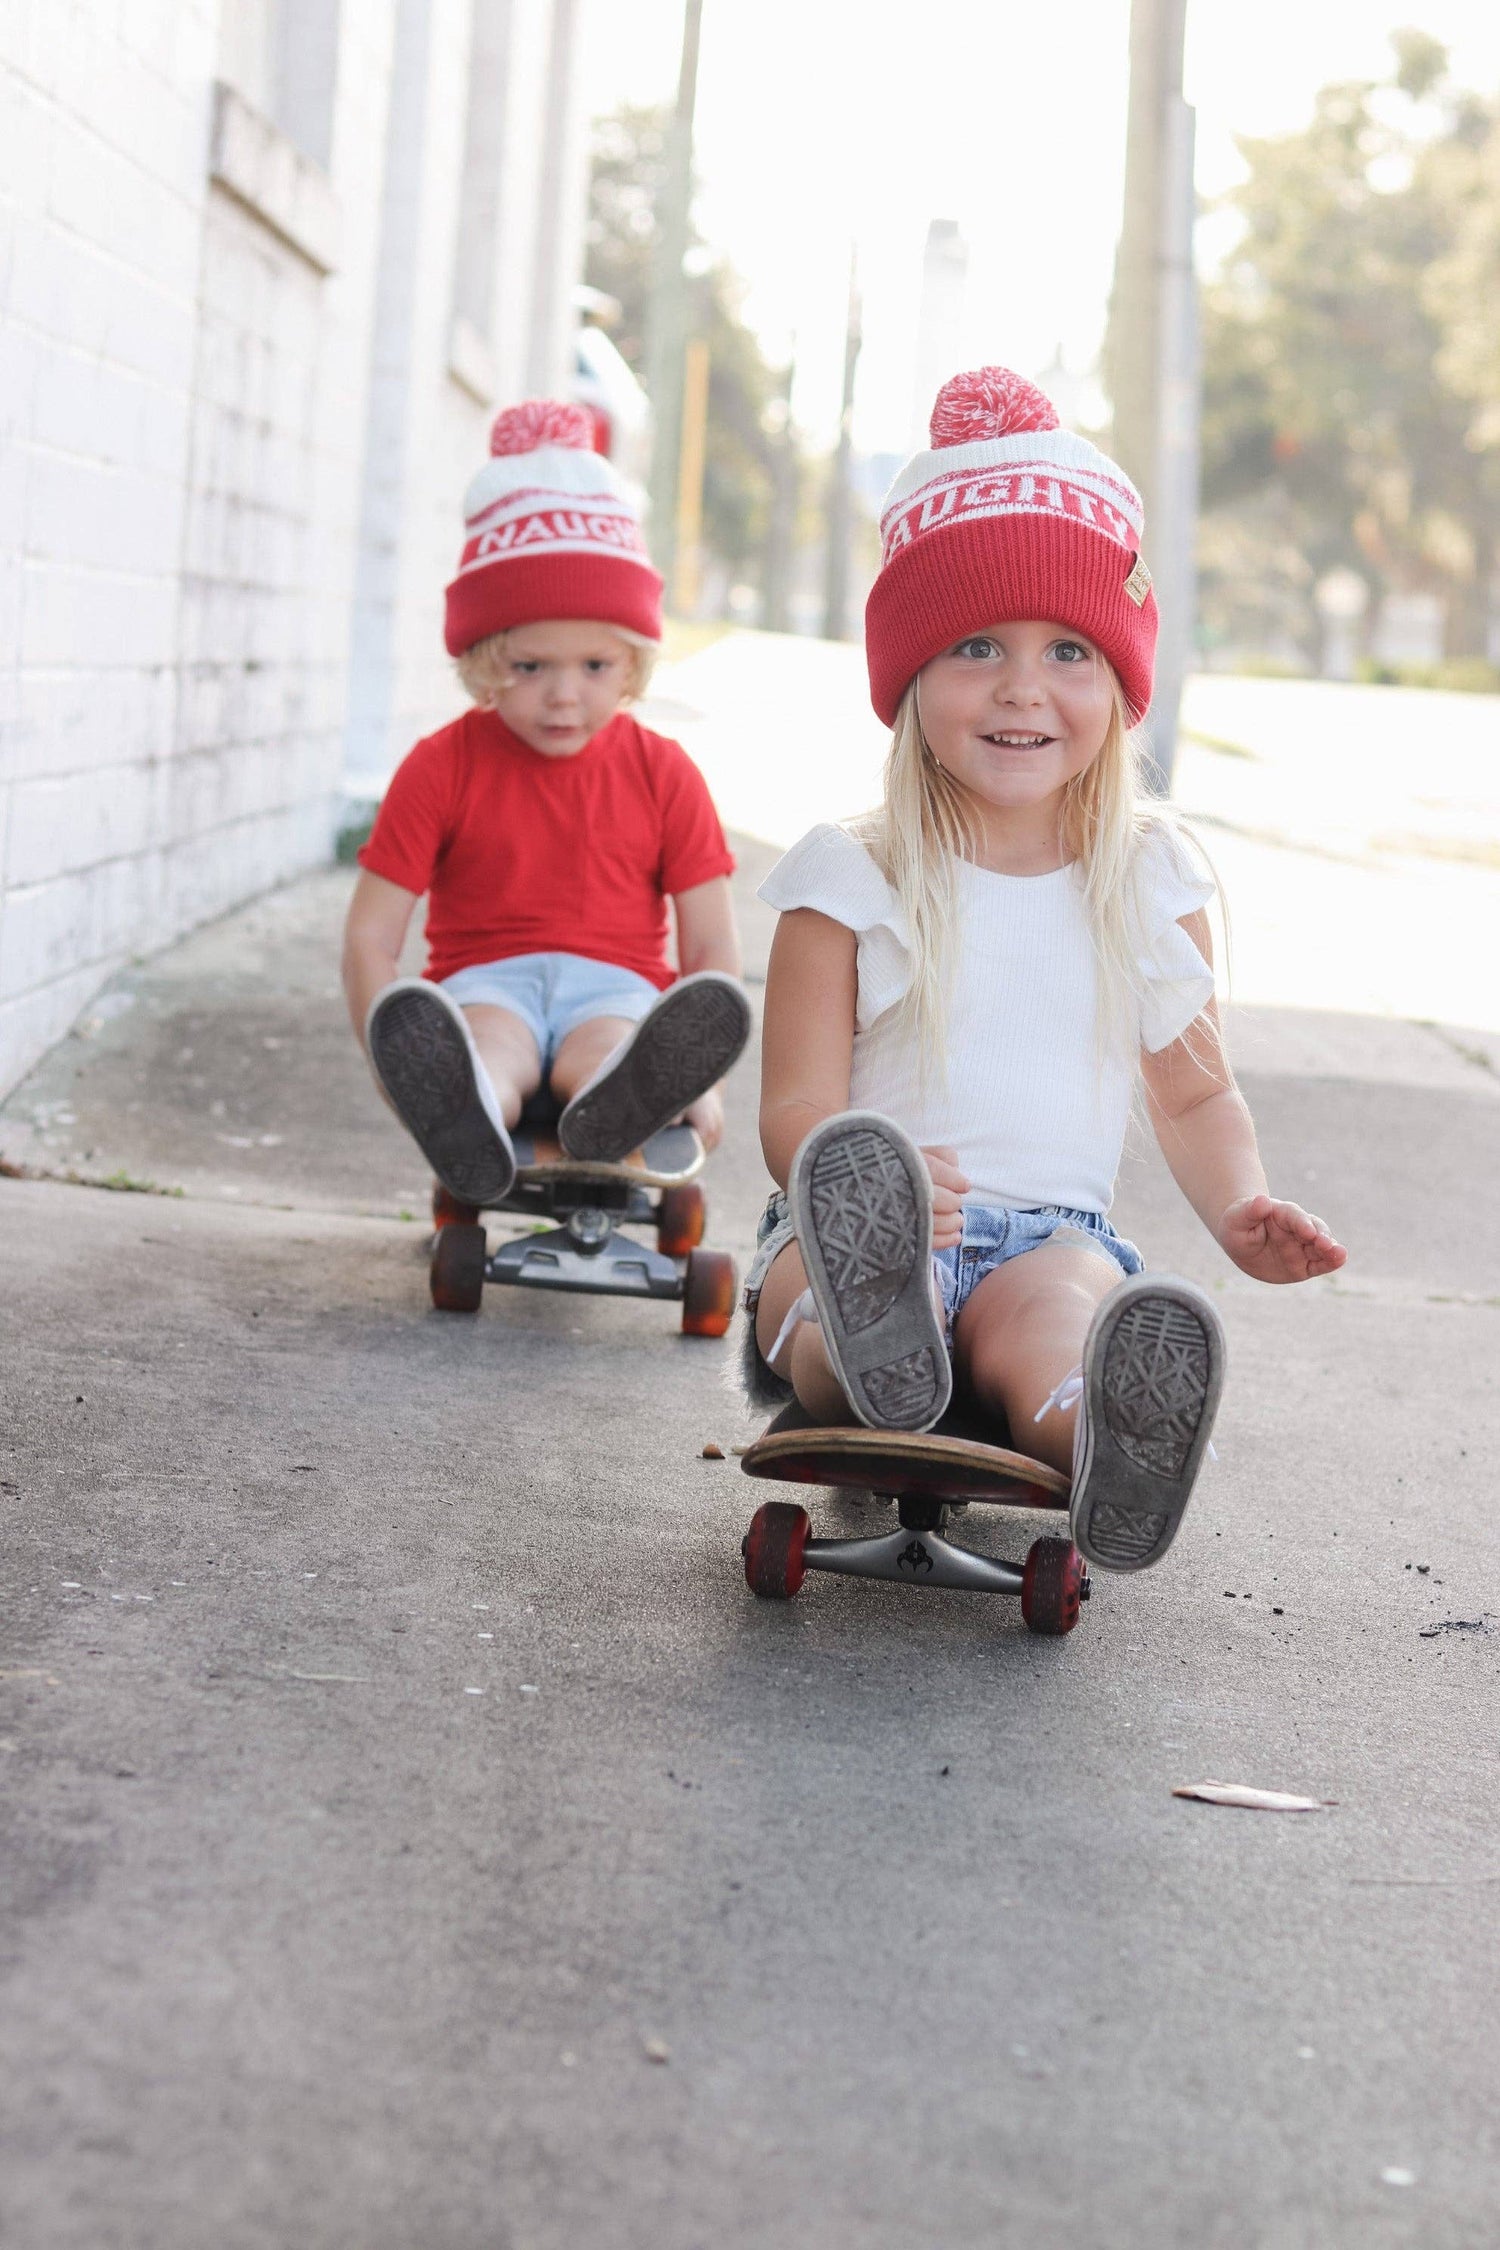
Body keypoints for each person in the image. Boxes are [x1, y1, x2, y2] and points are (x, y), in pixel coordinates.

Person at [743, 367, 1346, 1575]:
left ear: (1120, 690)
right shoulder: (847, 878)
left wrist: (1240, 1208)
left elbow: (1194, 1094)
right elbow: (795, 1106)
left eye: (1070, 649)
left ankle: (1103, 1433)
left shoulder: (1150, 881)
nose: (1023, 686)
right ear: (911, 678)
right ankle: (866, 1351)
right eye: (976, 646)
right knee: (835, 1298)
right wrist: (869, 1174)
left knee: (1063, 1319)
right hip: (863, 1228)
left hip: (1048, 1237)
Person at [342, 399, 750, 1208]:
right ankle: (464, 1107)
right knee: (490, 1053)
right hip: (484, 985)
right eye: (530, 667)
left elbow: (710, 946)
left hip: (618, 990)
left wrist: (706, 1082)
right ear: (483, 657)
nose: (564, 696)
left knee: (609, 1054)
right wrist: (389, 1064)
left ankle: (631, 1098)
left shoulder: (665, 773)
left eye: (595, 667)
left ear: (633, 660)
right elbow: (369, 936)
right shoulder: (440, 766)